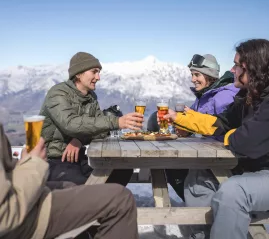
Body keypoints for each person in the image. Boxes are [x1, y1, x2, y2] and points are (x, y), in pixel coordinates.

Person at [163, 39, 269, 239]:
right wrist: (181, 118)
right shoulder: (247, 97)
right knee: (201, 178)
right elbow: (220, 123)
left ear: (253, 68)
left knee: (233, 192)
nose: (232, 69)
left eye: (238, 65)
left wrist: (230, 136)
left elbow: (245, 140)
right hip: (253, 168)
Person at [0, 124, 139, 239]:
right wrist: (34, 164)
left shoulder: (89, 99)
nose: (95, 88)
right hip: (23, 216)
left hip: (22, 197)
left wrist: (24, 164)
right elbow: (5, 215)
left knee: (72, 187)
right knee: (120, 200)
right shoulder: (59, 94)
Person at [40, 52, 143, 185]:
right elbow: (71, 124)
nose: (98, 77)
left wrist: (78, 139)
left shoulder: (91, 97)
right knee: (87, 189)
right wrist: (117, 122)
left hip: (78, 158)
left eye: (99, 72)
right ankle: (98, 203)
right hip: (53, 160)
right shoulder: (58, 93)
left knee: (123, 169)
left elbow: (101, 130)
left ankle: (105, 203)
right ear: (78, 73)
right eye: (94, 72)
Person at [162, 54, 239, 201]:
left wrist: (184, 122)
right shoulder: (204, 97)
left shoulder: (223, 97)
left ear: (210, 76)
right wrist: (185, 128)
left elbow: (222, 126)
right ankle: (197, 207)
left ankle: (202, 212)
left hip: (222, 158)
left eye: (197, 74)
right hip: (206, 154)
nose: (193, 79)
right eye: (192, 74)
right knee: (169, 165)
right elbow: (193, 122)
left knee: (171, 166)